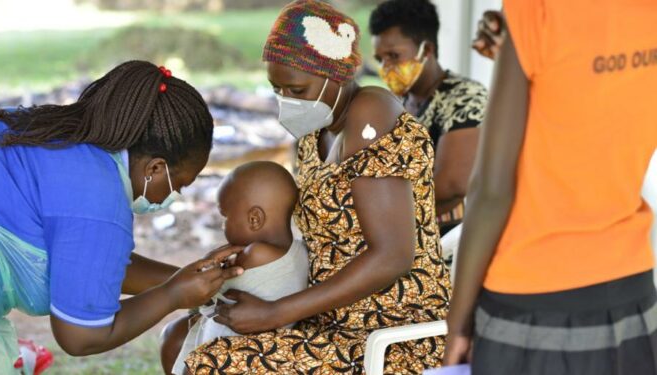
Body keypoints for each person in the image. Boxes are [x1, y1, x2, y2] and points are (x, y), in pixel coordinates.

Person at [0, 61, 243, 374]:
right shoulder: (99, 199)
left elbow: (91, 264)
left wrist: (187, 280)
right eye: (179, 184)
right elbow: (82, 336)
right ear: (155, 168)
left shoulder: (65, 139)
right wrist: (172, 296)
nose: (175, 197)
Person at [183, 1, 452, 373]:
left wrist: (276, 312)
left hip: (390, 334)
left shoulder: (370, 112)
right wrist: (247, 262)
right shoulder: (313, 136)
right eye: (277, 89)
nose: (287, 102)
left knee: (212, 363)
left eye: (296, 89)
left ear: (337, 76)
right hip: (326, 321)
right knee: (182, 337)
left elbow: (393, 256)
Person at [444, 1, 657, 374]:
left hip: (530, 306)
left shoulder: (536, 10)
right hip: (633, 296)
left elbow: (491, 192)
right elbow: (599, 114)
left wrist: (457, 323)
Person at [161, 161, 309, 374]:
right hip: (253, 338)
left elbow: (210, 290)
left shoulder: (256, 253)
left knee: (184, 352)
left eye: (226, 217)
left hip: (235, 344)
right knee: (175, 333)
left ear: (254, 219)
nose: (223, 226)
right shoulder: (299, 250)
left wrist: (210, 264)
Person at [369, 0, 488, 235]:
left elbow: (451, 187)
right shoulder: (398, 102)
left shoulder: (465, 98)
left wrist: (370, 208)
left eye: (394, 55)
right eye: (381, 58)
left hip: (452, 238)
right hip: (402, 232)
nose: (386, 67)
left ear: (428, 50)